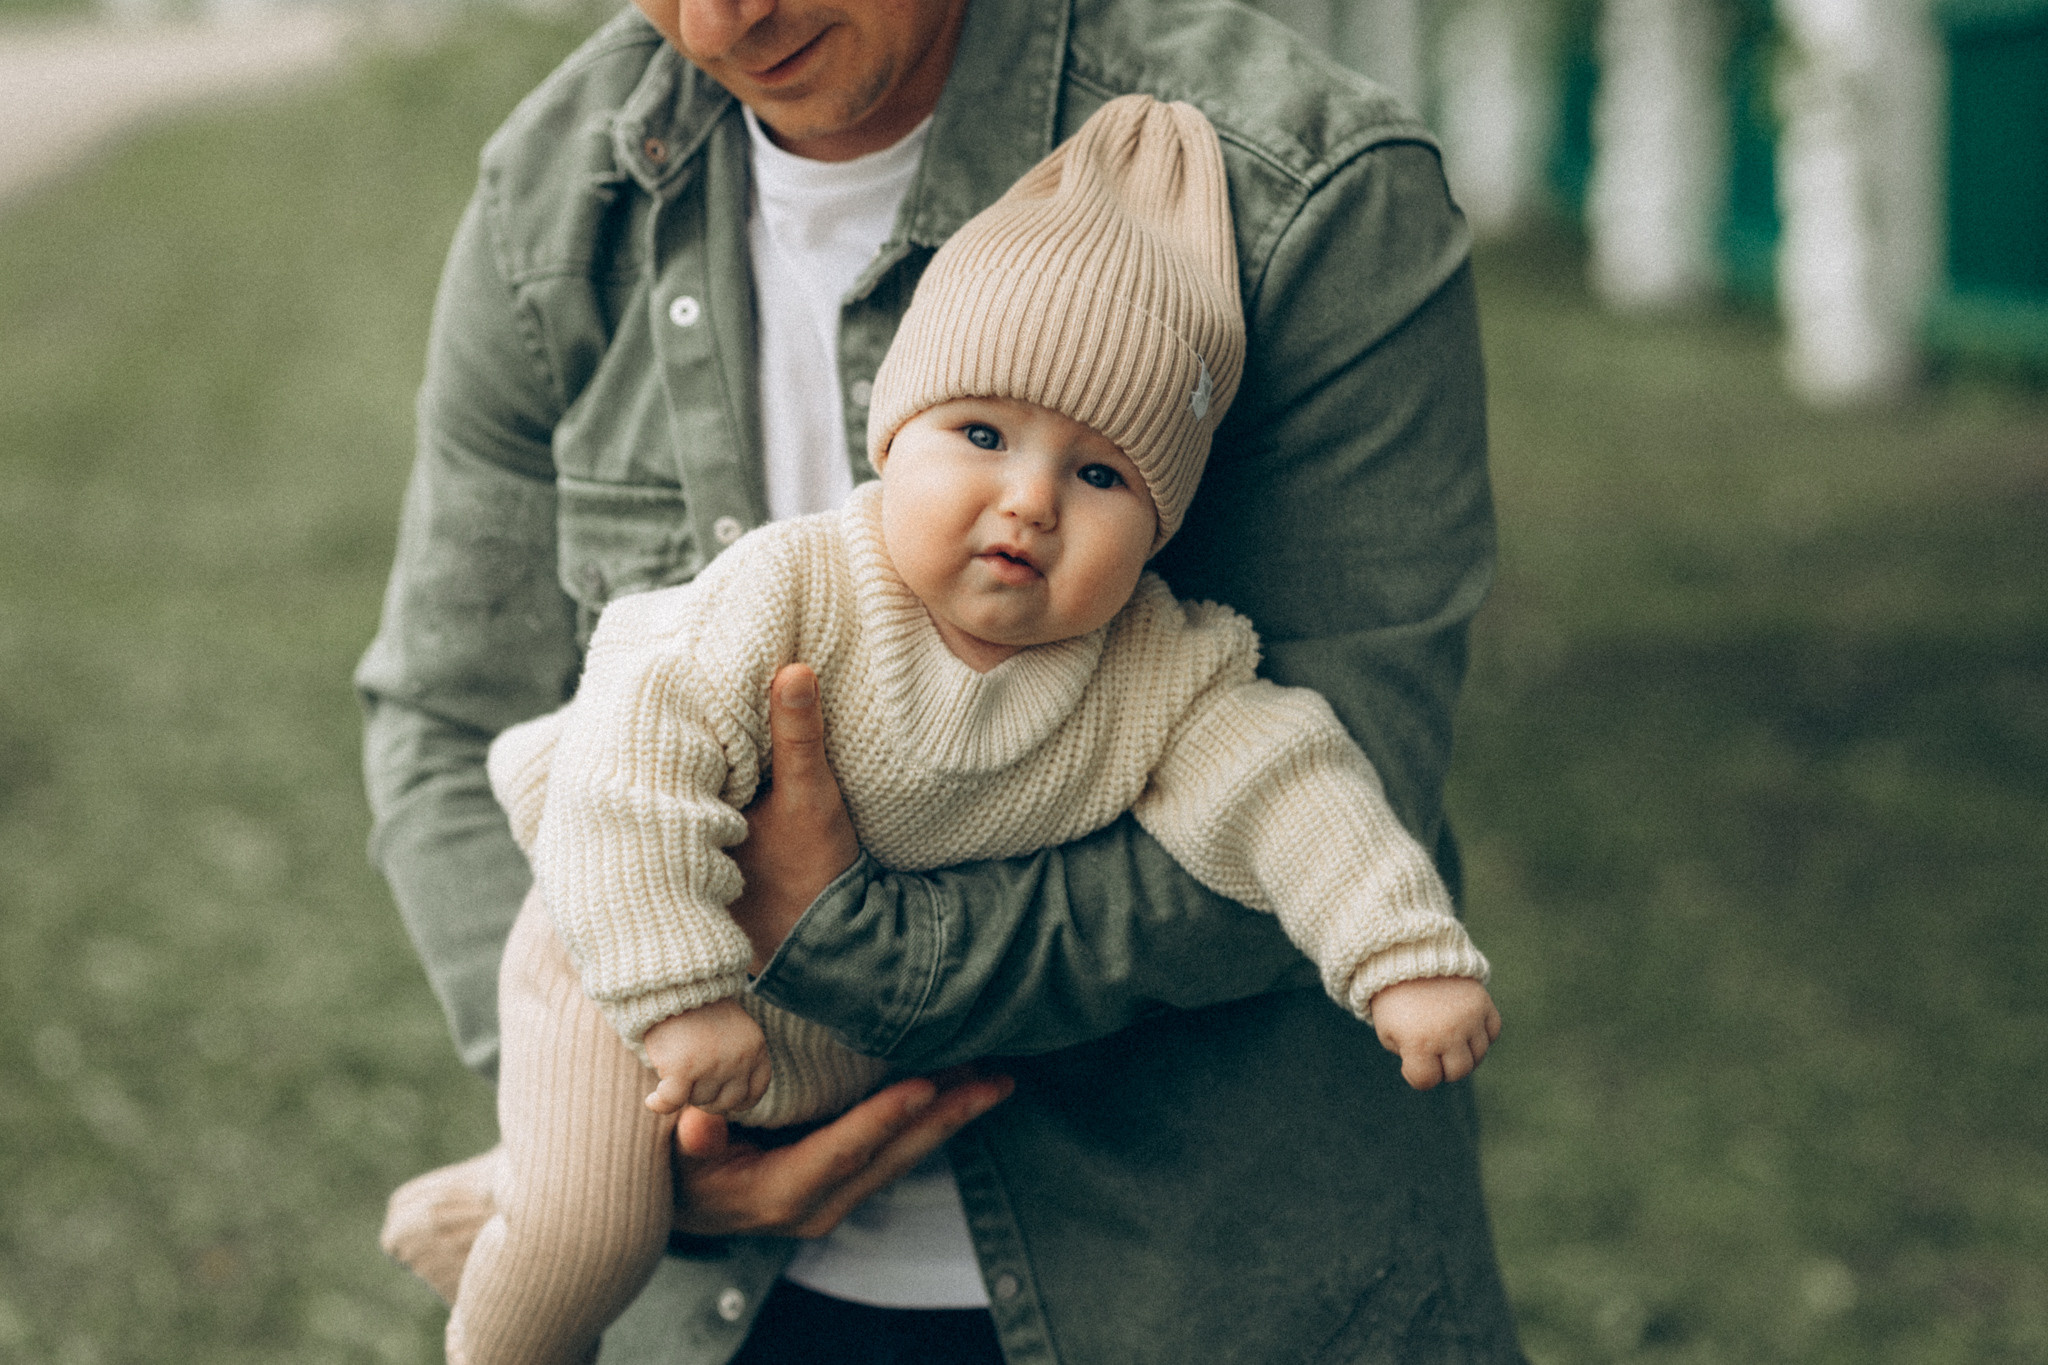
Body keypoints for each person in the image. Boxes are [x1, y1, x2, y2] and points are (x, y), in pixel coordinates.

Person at [357, 0, 1526, 1359]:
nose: (723, 20)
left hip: (1198, 1286)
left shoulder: (1310, 191)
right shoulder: (563, 193)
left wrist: (844, 937)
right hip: (726, 1305)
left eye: (1093, 474)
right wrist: (638, 1137)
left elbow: (1327, 779)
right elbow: (454, 718)